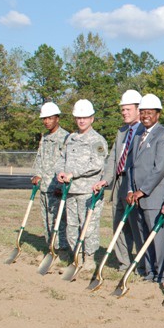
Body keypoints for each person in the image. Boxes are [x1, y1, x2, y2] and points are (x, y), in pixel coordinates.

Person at [126, 94, 164, 289]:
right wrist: (131, 189)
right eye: (143, 112)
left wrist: (143, 191)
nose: (146, 116)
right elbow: (132, 165)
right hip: (136, 196)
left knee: (158, 236)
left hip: (154, 196)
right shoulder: (138, 134)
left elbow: (161, 168)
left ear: (158, 114)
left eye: (150, 112)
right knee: (142, 235)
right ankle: (149, 271)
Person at [92, 90, 142, 272]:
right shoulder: (122, 131)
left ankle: (141, 264)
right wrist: (106, 180)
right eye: (122, 109)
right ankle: (124, 263)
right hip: (119, 183)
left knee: (136, 225)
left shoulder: (145, 131)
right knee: (119, 225)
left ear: (138, 109)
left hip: (134, 184)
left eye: (128, 109)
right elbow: (114, 157)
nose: (124, 112)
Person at [56, 99, 108, 269]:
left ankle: (89, 258)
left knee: (88, 225)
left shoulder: (97, 140)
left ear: (92, 118)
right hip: (70, 190)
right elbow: (62, 158)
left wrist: (73, 173)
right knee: (72, 225)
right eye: (78, 117)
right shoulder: (70, 138)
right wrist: (60, 172)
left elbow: (97, 164)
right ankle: (75, 256)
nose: (81, 120)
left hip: (88, 191)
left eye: (85, 117)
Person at [31, 101, 70, 254]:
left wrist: (61, 186)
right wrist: (37, 175)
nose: (47, 121)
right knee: (46, 218)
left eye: (50, 118)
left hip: (57, 187)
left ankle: (62, 249)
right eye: (44, 118)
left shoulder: (65, 137)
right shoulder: (45, 137)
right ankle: (50, 247)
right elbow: (40, 158)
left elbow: (66, 162)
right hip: (44, 186)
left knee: (59, 219)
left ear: (57, 118)